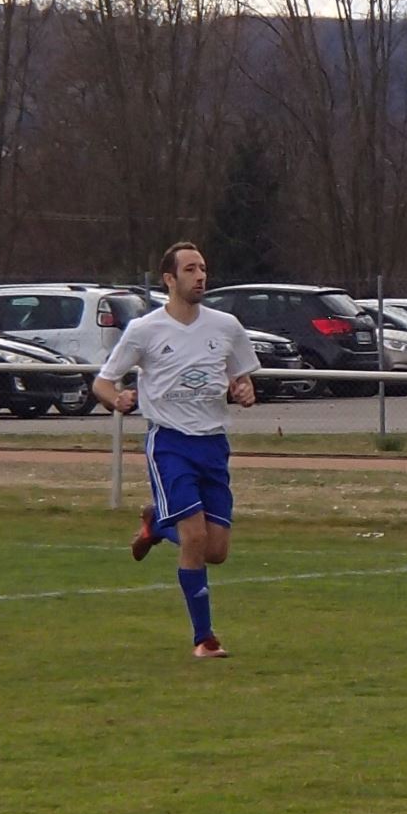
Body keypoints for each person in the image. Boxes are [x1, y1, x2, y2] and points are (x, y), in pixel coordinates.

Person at [92, 242, 259, 659]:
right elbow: (103, 382)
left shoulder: (226, 326)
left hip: (213, 445)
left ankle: (156, 526)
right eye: (190, 269)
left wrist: (244, 389)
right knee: (195, 536)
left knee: (215, 551)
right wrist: (117, 399)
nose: (200, 276)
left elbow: (241, 378)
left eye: (203, 268)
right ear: (169, 279)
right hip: (170, 443)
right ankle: (204, 639)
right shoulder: (144, 330)